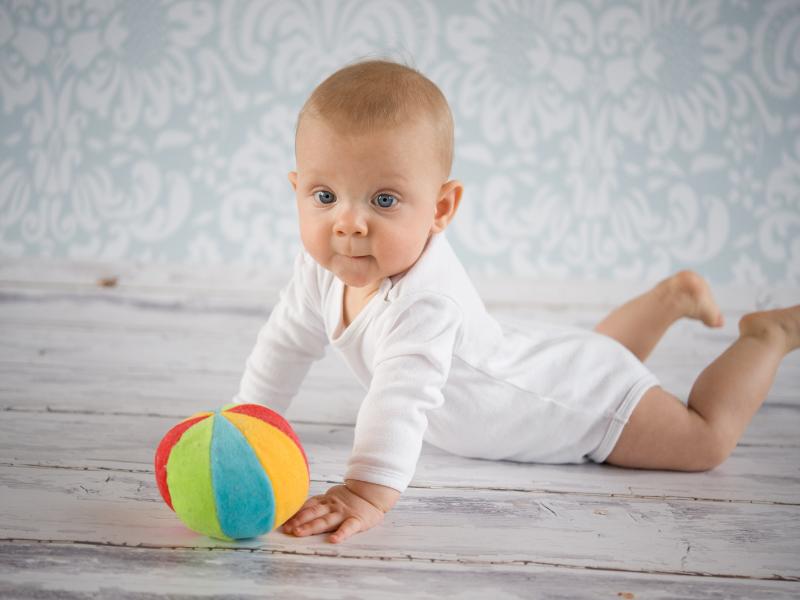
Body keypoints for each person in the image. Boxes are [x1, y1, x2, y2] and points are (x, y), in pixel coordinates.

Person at [232, 59, 800, 544]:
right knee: (595, 354)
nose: (349, 224)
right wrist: (247, 422)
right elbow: (285, 342)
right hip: (542, 364)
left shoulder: (423, 302)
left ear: (441, 208)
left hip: (567, 404)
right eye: (325, 196)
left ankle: (765, 336)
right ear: (295, 189)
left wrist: (364, 491)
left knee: (703, 441)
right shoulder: (319, 271)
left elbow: (399, 400)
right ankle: (669, 298)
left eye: (384, 199)